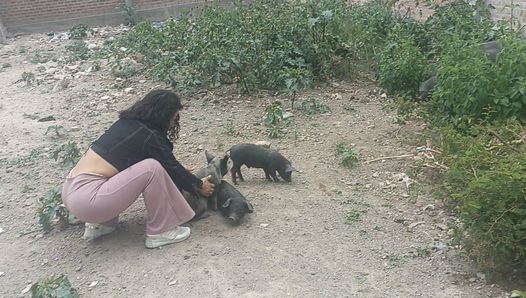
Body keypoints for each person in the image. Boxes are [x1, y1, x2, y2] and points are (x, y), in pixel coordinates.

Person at [61, 89, 214, 248]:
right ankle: (161, 232)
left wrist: (176, 172)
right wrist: (199, 185)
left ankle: (101, 225)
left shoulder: (127, 123)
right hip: (89, 201)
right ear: (165, 115)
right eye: (175, 117)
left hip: (71, 192)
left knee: (146, 168)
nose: (175, 122)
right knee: (151, 168)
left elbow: (163, 165)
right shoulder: (149, 136)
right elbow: (168, 166)